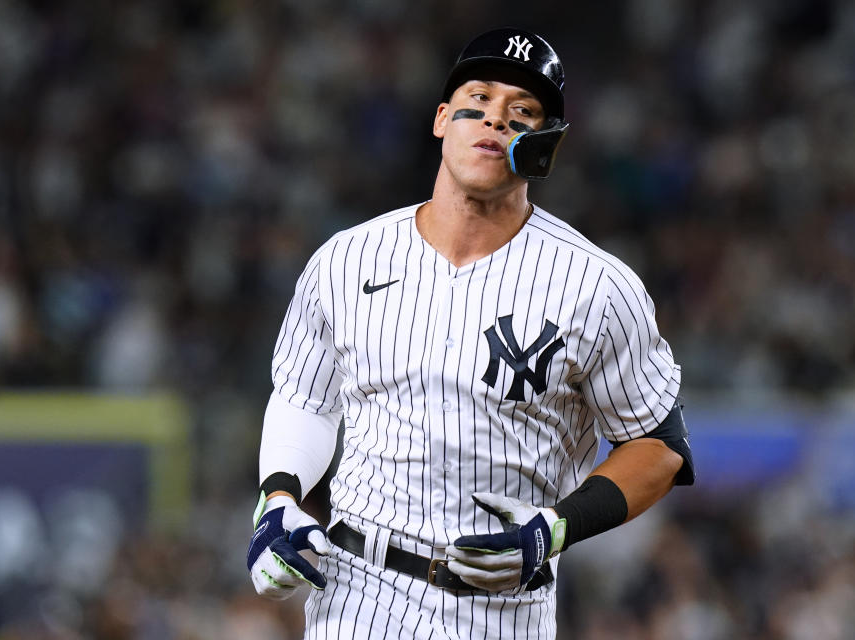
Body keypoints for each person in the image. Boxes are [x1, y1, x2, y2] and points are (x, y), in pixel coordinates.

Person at [246, 27, 695, 639]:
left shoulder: (596, 285)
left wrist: (554, 528)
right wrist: (278, 501)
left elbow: (659, 447)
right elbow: (305, 399)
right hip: (357, 596)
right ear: (440, 120)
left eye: (523, 111)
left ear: (545, 146)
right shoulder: (346, 259)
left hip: (504, 609)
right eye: (478, 99)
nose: (495, 119)